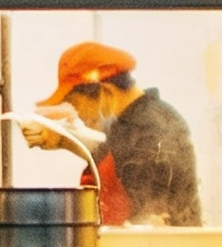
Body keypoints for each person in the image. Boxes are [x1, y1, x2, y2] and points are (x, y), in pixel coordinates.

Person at [20, 40, 201, 227]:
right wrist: (61, 139)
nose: (79, 115)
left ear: (105, 93)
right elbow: (109, 154)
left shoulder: (151, 128)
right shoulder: (128, 121)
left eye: (76, 104)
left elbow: (153, 220)